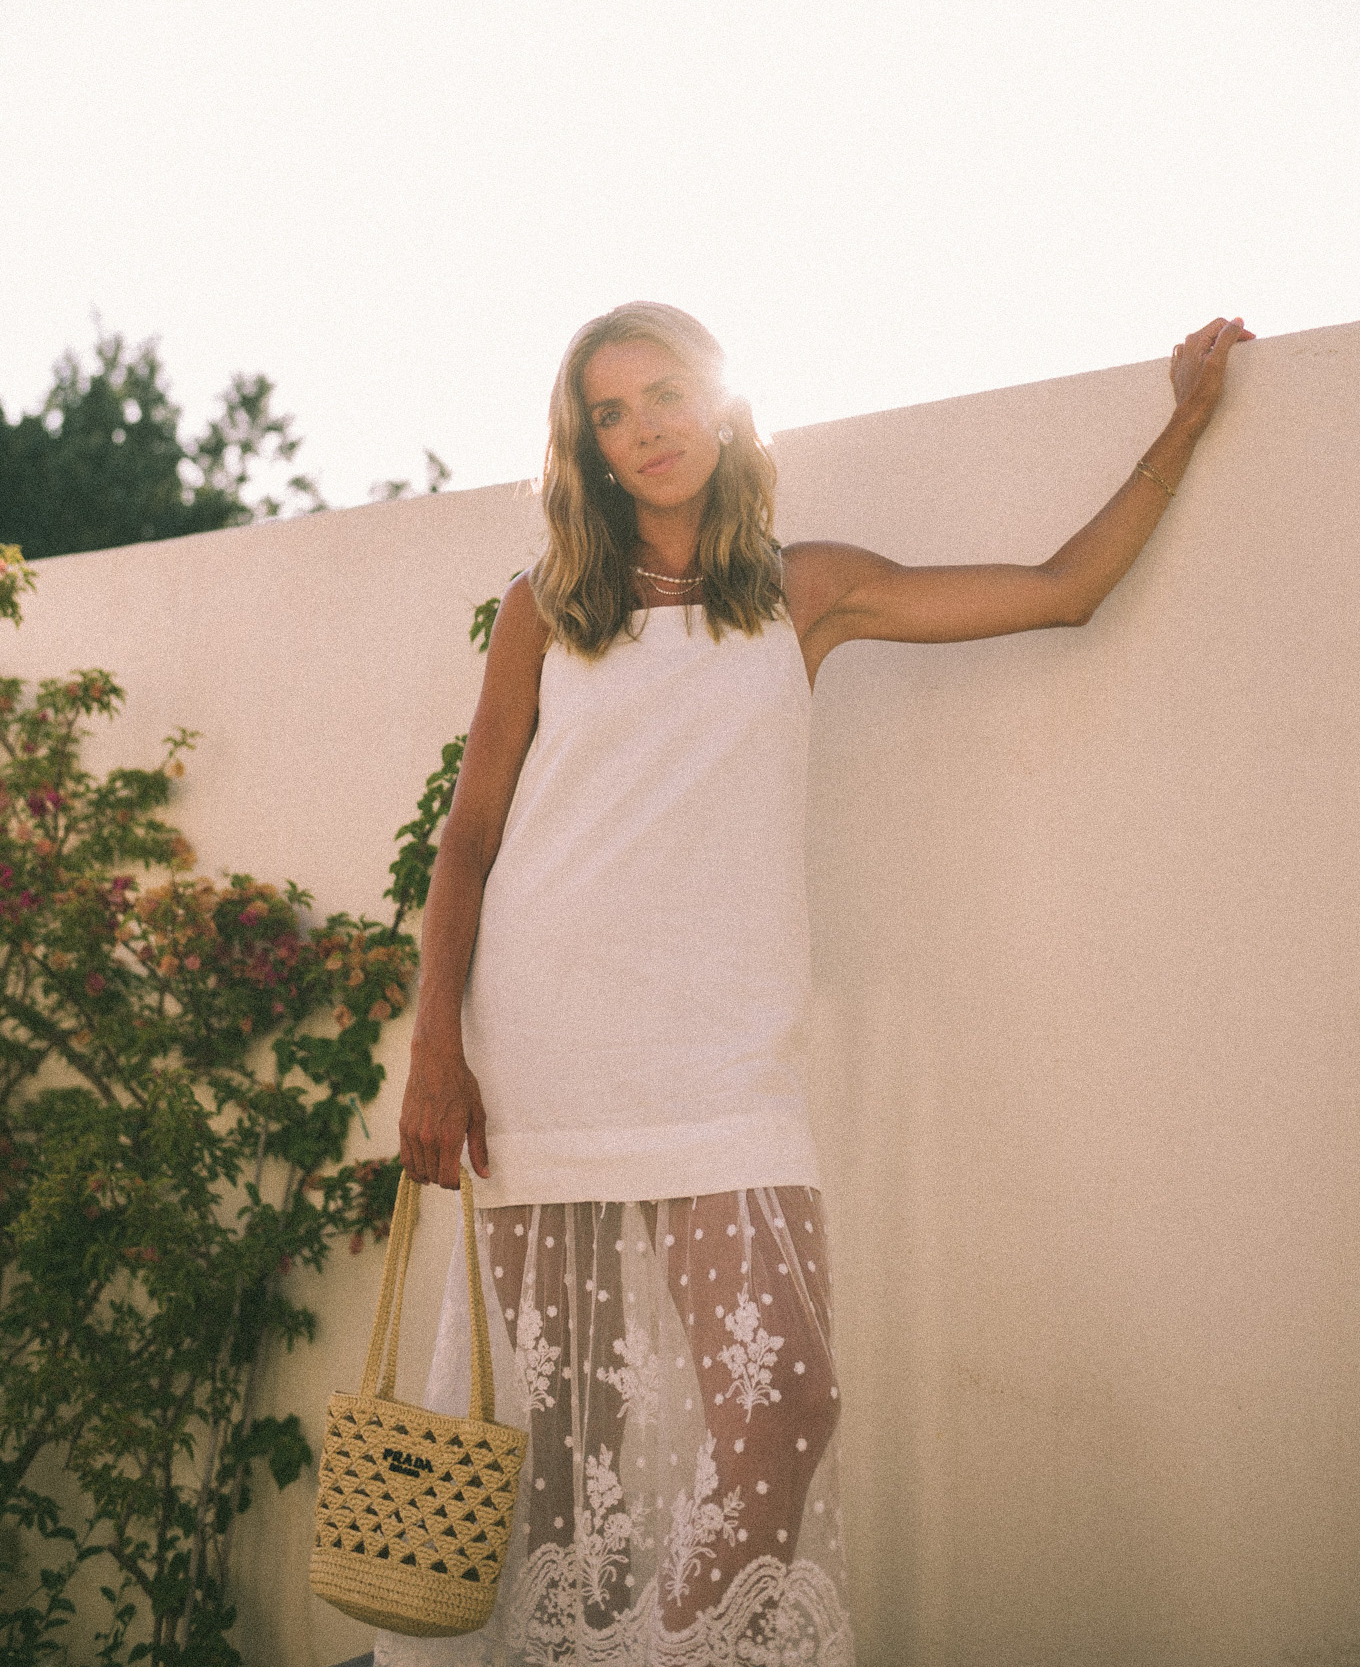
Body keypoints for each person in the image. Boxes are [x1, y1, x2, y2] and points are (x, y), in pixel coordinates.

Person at [387, 300, 1252, 1665]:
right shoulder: (544, 607)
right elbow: (472, 836)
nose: (645, 428)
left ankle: (669, 1653)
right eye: (609, 413)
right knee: (571, 1435)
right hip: (546, 1042)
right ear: (588, 450)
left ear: (725, 405)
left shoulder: (806, 592)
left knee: (783, 1398)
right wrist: (436, 1048)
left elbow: (1057, 590)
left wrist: (1187, 423)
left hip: (725, 1053)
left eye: (665, 392)